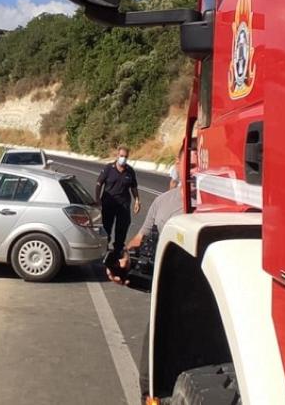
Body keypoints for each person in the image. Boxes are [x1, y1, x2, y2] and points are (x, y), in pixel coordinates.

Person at [107, 160, 184, 402]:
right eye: (184, 156)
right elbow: (141, 238)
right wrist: (125, 261)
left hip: (206, 310)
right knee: (151, 380)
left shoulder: (225, 203)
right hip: (165, 304)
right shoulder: (164, 201)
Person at [95, 146, 141, 253]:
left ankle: (118, 249)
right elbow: (99, 183)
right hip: (108, 203)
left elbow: (134, 187)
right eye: (121, 156)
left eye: (125, 157)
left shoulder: (130, 171)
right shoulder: (108, 168)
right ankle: (104, 248)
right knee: (106, 227)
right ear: (117, 155)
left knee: (122, 227)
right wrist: (97, 199)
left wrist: (137, 200)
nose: (123, 158)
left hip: (123, 205)